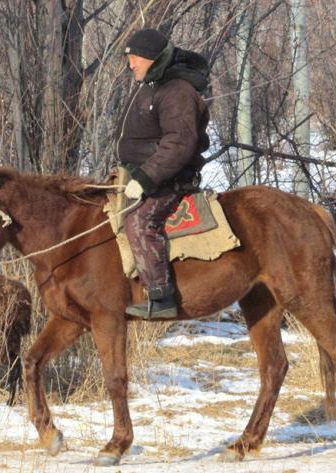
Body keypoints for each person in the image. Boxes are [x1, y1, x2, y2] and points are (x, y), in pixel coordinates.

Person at [117, 28, 211, 319]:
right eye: (130, 58)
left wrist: (145, 178)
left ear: (154, 58)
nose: (131, 64)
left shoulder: (177, 91)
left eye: (136, 58)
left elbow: (179, 143)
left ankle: (161, 296)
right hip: (141, 174)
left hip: (171, 179)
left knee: (140, 221)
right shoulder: (152, 84)